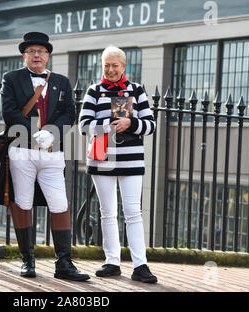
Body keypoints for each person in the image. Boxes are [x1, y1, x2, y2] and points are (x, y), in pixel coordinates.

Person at [0, 32, 90, 281]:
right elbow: (9, 111)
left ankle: (64, 264)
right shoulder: (11, 78)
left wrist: (52, 133)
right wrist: (31, 133)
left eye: (40, 51)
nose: (36, 55)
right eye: (31, 51)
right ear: (24, 55)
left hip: (52, 153)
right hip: (22, 150)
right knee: (24, 203)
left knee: (60, 204)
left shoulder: (61, 81)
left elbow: (70, 113)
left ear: (48, 55)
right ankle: (27, 261)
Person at [78, 46, 157, 283]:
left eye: (115, 65)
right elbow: (83, 124)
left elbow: (151, 125)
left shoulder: (137, 90)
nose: (110, 69)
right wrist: (109, 124)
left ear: (124, 66)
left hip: (131, 158)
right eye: (106, 65)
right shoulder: (94, 91)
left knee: (133, 212)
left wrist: (130, 123)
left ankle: (140, 265)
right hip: (102, 157)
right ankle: (112, 262)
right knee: (107, 212)